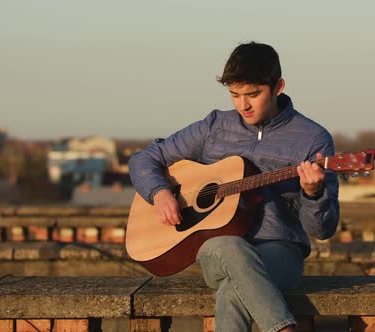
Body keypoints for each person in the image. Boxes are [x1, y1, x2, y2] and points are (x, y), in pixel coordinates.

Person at [129, 41, 340, 332]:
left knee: (232, 290)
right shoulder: (214, 127)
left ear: (278, 86)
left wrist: (314, 194)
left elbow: (322, 230)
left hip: (279, 250)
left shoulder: (313, 138)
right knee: (230, 246)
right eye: (235, 95)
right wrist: (159, 192)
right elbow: (145, 159)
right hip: (218, 248)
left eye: (253, 94)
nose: (243, 105)